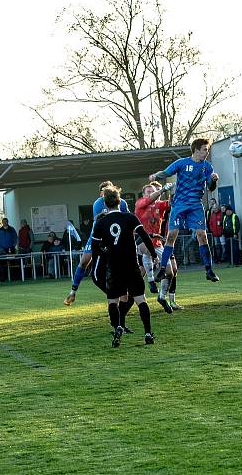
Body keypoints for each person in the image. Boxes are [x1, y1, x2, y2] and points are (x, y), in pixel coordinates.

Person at [90, 185, 158, 347]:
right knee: (140, 299)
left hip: (114, 267)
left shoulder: (101, 222)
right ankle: (148, 333)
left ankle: (117, 329)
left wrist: (106, 252)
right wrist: (154, 255)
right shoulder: (130, 218)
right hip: (131, 265)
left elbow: (95, 248)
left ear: (105, 204)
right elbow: (144, 236)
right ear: (120, 202)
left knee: (112, 301)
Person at [148, 138, 220, 282]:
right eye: (205, 149)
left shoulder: (207, 167)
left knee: (202, 235)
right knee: (171, 236)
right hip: (179, 204)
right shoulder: (182, 163)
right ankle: (162, 269)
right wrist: (156, 175)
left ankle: (209, 270)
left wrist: (213, 180)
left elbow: (210, 188)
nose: (207, 152)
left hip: (195, 205)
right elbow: (167, 172)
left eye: (208, 149)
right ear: (197, 150)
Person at [65, 181, 130, 306]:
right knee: (84, 262)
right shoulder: (98, 203)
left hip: (115, 237)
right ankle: (73, 291)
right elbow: (99, 221)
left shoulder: (122, 202)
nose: (106, 192)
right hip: (97, 237)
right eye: (103, 190)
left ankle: (123, 294)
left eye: (108, 189)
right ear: (100, 193)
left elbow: (127, 218)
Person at [135, 181, 176, 312]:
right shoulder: (140, 203)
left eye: (153, 191)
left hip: (158, 242)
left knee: (170, 272)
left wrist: (173, 190)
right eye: (149, 191)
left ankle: (162, 297)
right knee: (146, 251)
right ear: (143, 195)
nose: (152, 193)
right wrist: (162, 190)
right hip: (143, 240)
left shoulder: (159, 204)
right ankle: (151, 281)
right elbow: (150, 199)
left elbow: (171, 203)